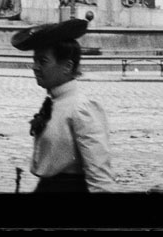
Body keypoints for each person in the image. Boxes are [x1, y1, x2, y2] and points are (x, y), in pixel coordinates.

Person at [14, 17, 117, 192]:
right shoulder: (55, 102)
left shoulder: (81, 108)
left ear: (67, 66)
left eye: (43, 61)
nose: (35, 67)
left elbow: (99, 175)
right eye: (35, 60)